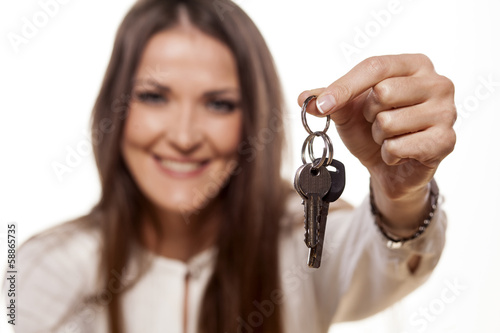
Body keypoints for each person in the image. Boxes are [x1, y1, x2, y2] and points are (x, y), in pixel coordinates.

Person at [3, 0, 456, 332]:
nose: (183, 136)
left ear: (252, 121)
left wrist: (403, 192)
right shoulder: (43, 269)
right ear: (115, 110)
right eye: (154, 97)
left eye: (218, 104)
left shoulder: (298, 247)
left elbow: (386, 253)